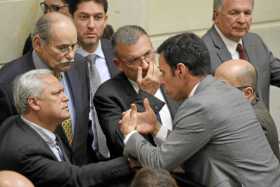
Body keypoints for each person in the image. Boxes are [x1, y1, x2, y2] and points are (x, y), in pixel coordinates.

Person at [119, 32, 280, 187]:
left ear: (180, 70)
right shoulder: (224, 90)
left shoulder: (200, 105)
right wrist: (156, 128)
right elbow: (187, 144)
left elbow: (159, 162)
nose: (160, 80)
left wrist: (130, 134)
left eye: (163, 72)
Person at [0, 69, 131, 187]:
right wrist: (131, 161)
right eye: (56, 94)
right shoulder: (25, 151)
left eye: (63, 92)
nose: (66, 98)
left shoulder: (40, 122)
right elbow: (74, 178)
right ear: (34, 103)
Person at [0, 12, 90, 165]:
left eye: (74, 46)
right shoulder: (8, 82)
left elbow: (83, 123)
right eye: (62, 48)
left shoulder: (79, 65)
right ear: (37, 43)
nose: (71, 55)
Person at [94, 25, 178, 158]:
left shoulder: (172, 77)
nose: (145, 64)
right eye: (134, 60)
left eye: (147, 54)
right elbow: (121, 142)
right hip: (141, 173)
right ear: (118, 64)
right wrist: (147, 95)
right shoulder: (107, 95)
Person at [202, 0, 280, 109]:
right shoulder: (202, 51)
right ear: (216, 16)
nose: (242, 20)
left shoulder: (255, 41)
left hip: (261, 124)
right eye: (234, 13)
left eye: (247, 13)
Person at [69, 0, 119, 160]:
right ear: (71, 18)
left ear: (105, 19)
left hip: (120, 151)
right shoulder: (61, 59)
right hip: (78, 158)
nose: (91, 25)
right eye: (83, 17)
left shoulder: (118, 52)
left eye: (98, 17)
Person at [215, 59, 280, 160]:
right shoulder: (252, 106)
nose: (212, 94)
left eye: (221, 88)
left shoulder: (252, 122)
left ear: (247, 93)